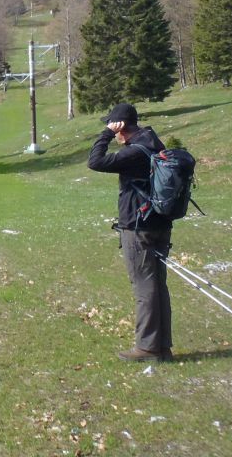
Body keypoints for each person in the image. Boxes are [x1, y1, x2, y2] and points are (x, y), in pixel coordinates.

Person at [87, 103, 174, 362]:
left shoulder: (135, 152)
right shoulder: (154, 145)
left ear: (120, 127)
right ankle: (162, 346)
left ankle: (147, 348)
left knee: (144, 287)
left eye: (113, 127)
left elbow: (95, 161)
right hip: (159, 224)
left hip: (139, 228)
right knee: (157, 285)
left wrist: (104, 135)